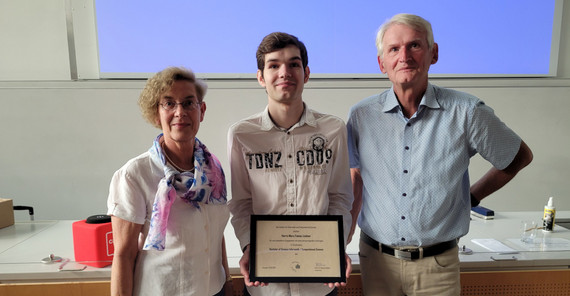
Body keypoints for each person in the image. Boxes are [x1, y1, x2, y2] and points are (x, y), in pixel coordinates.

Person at [347, 14, 533, 295]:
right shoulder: (361, 115)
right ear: (381, 63)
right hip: (376, 263)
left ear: (433, 54)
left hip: (437, 267)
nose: (404, 56)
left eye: (415, 46)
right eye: (394, 49)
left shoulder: (467, 111)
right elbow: (356, 179)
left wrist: (472, 196)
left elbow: (518, 157)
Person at [228, 32, 354, 296]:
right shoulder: (241, 135)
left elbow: (340, 198)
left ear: (306, 73)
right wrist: (249, 246)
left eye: (293, 64)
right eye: (274, 65)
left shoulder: (333, 129)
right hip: (266, 287)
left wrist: (336, 246)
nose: (284, 72)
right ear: (261, 77)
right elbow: (241, 203)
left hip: (320, 285)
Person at [107, 67, 233, 296]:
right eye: (169, 103)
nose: (180, 112)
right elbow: (123, 255)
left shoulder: (212, 169)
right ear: (156, 113)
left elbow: (215, 234)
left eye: (188, 103)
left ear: (201, 110)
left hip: (215, 289)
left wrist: (228, 280)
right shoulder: (135, 175)